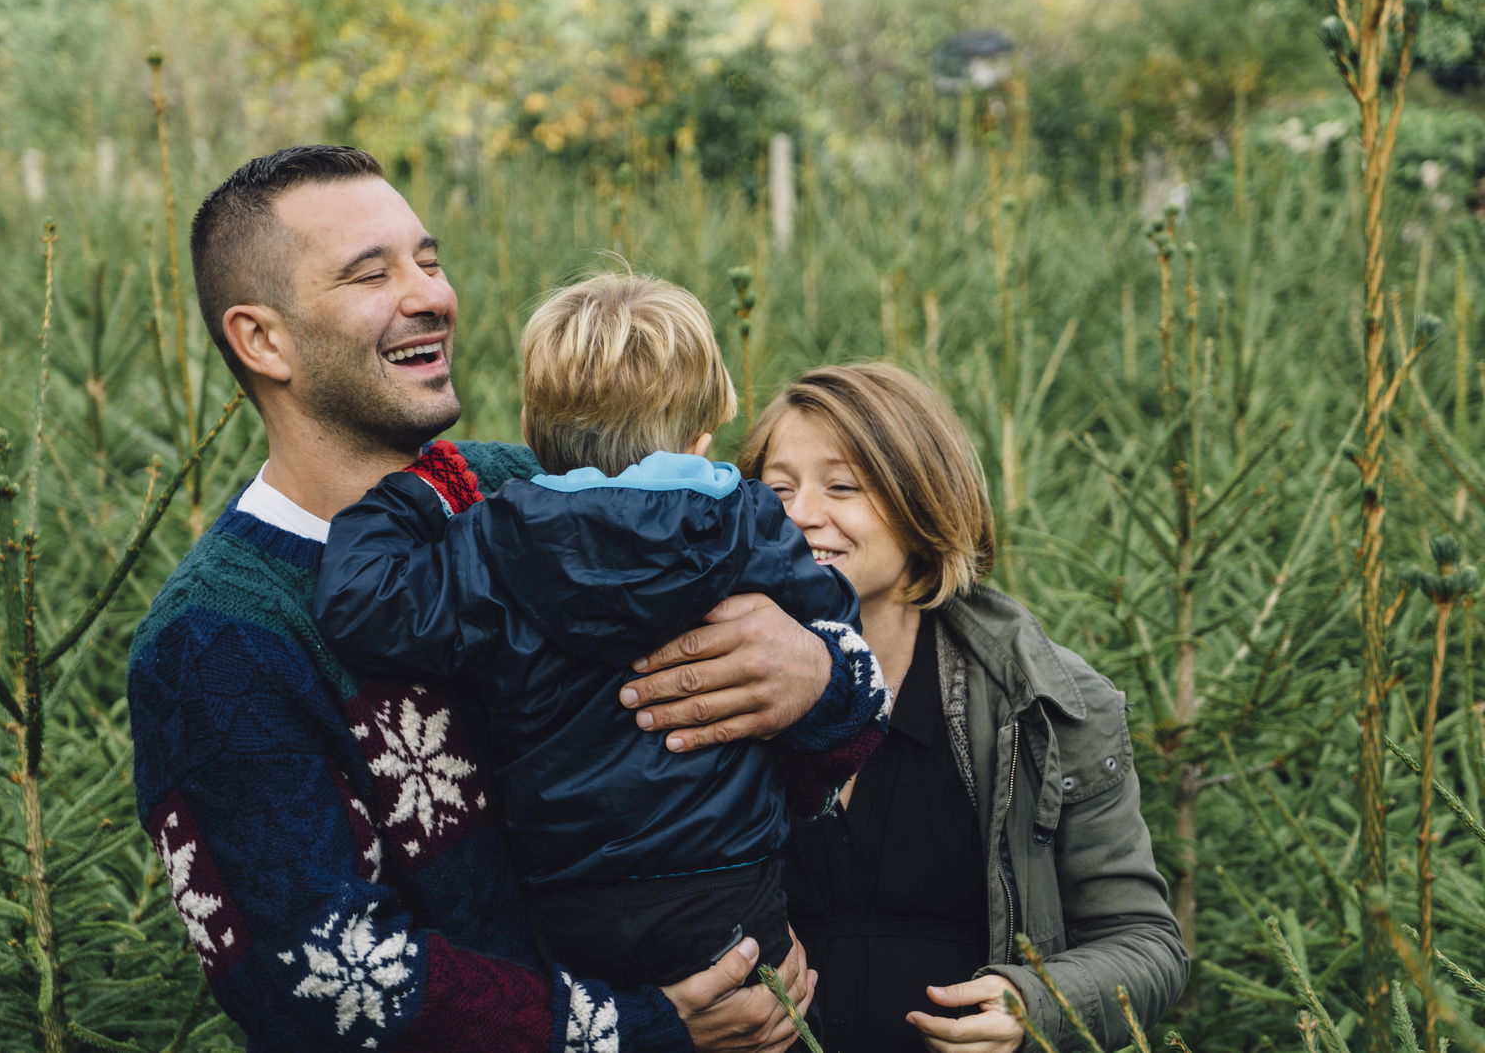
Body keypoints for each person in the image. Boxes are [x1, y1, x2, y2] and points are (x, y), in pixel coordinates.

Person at [125, 145, 882, 1053]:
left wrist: (813, 670)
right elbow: (323, 976)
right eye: (373, 274)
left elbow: (832, 747)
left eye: (430, 261)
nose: (432, 296)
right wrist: (643, 1029)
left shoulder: (527, 489)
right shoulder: (213, 643)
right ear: (263, 339)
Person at [312, 272, 891, 988]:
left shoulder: (491, 540)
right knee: (765, 1021)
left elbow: (364, 607)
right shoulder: (747, 523)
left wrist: (402, 492)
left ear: (530, 430)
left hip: (568, 892)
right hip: (731, 879)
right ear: (702, 433)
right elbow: (834, 629)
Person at [737, 363, 1188, 1053]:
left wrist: (1037, 1003)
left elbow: (1146, 944)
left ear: (922, 506)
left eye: (842, 487)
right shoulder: (707, 686)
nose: (801, 514)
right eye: (778, 490)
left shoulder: (1044, 704)